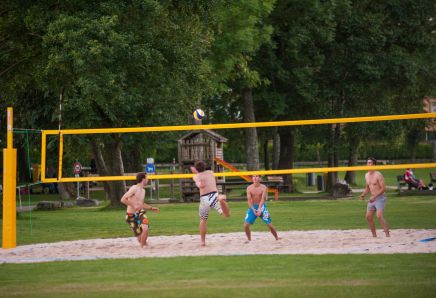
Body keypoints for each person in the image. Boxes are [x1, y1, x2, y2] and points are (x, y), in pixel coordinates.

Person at [191, 160, 230, 246]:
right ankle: (221, 200)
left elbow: (199, 183)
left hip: (204, 198)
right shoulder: (210, 172)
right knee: (226, 215)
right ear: (204, 167)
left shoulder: (196, 176)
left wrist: (196, 174)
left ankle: (202, 241)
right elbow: (203, 172)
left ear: (197, 169)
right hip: (214, 195)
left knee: (203, 220)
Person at [120, 172, 160, 248]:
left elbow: (141, 204)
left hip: (139, 213)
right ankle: (144, 244)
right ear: (143, 179)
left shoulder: (143, 191)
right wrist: (133, 204)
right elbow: (123, 199)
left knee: (145, 228)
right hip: (131, 216)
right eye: (147, 178)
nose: (148, 179)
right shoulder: (134, 188)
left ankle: (143, 247)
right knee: (140, 238)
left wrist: (151, 208)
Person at [358, 157, 390, 237]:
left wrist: (374, 196)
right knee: (368, 217)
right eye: (367, 162)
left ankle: (387, 235)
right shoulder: (366, 175)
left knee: (379, 215)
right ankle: (374, 236)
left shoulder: (378, 175)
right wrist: (363, 194)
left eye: (370, 163)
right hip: (372, 199)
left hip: (380, 198)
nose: (368, 164)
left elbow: (383, 188)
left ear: (374, 165)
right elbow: (368, 187)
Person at [244, 175, 279, 242]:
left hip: (262, 207)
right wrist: (253, 209)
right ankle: (249, 239)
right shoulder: (249, 188)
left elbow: (263, 199)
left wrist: (259, 209)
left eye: (257, 176)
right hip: (253, 207)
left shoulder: (263, 187)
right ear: (252, 178)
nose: (255, 178)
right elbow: (249, 200)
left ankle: (277, 238)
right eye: (254, 176)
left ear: (260, 178)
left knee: (270, 225)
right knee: (246, 225)